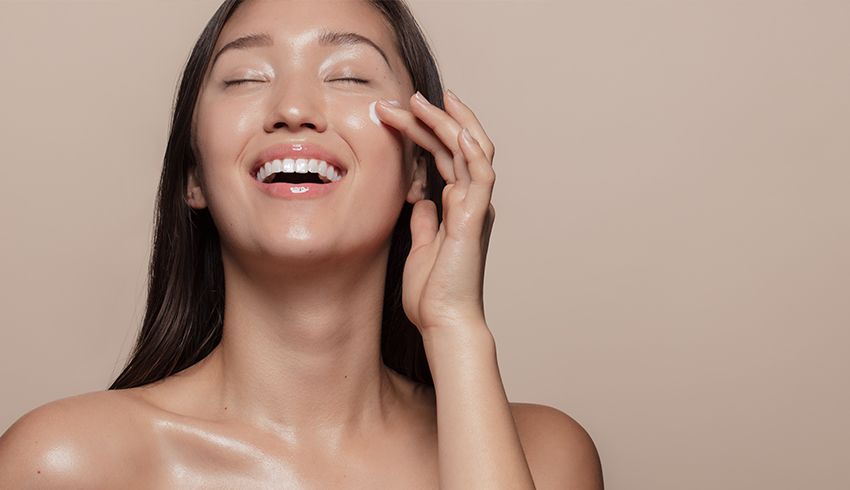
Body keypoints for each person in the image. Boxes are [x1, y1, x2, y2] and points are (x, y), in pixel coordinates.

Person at [0, 0, 603, 487]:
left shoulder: (544, 458)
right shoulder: (66, 463)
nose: (293, 108)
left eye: (348, 75)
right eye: (244, 78)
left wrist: (455, 328)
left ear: (421, 167)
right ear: (194, 177)